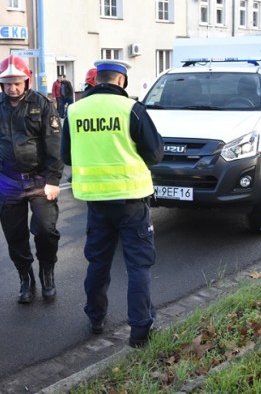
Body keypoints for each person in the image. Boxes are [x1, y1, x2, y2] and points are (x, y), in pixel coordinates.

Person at [61, 59, 164, 348]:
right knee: (138, 266)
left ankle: (95, 318)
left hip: (96, 204)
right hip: (132, 203)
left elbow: (67, 157)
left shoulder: (75, 111)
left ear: (96, 81)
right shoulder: (132, 109)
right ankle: (141, 331)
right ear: (122, 81)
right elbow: (156, 155)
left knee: (98, 263)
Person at [0, 55, 64, 304]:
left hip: (39, 181)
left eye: (18, 82)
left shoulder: (43, 104)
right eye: (7, 83)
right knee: (15, 236)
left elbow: (54, 145)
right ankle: (26, 279)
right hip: (8, 182)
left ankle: (47, 273)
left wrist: (54, 179)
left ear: (27, 80)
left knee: (46, 231)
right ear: (0, 82)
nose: (13, 88)